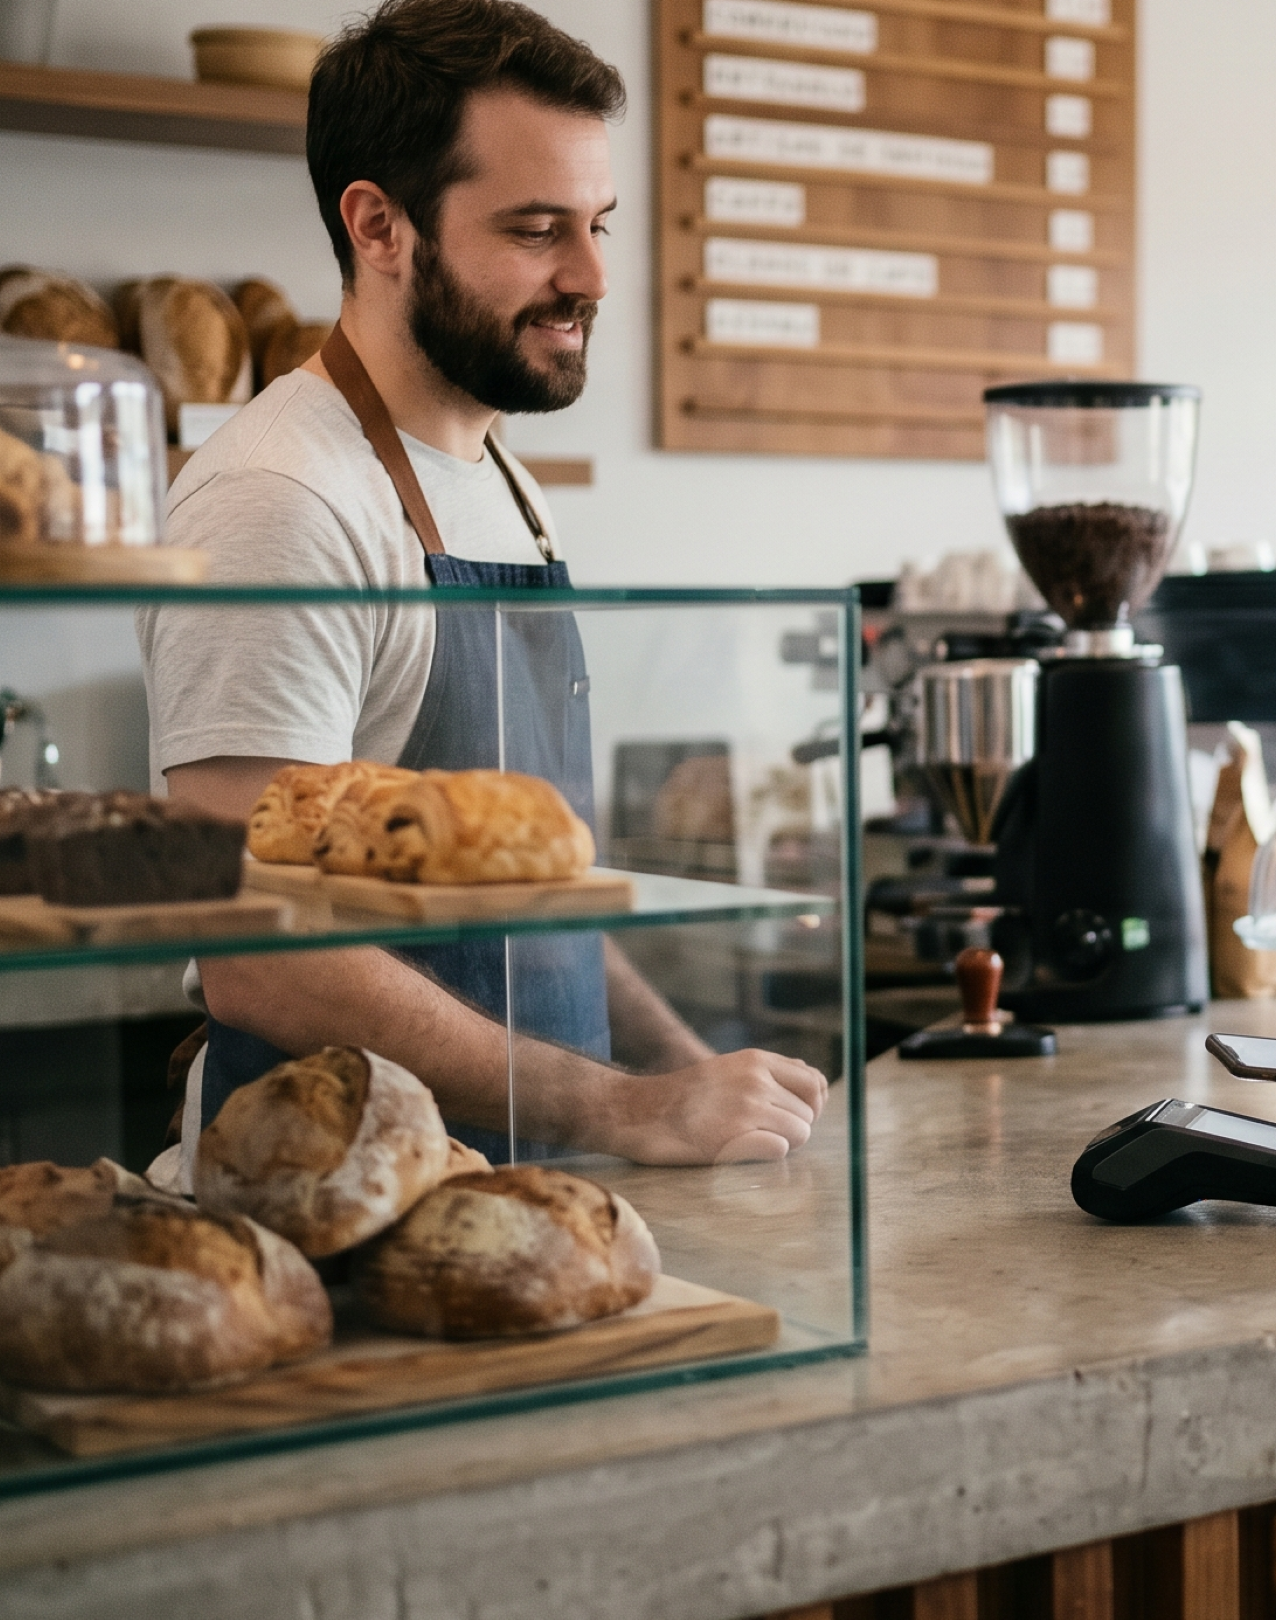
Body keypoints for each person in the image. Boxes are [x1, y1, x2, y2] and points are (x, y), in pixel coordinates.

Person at [136, 0, 825, 1165]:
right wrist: (614, 1107)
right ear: (379, 226)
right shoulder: (279, 500)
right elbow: (257, 953)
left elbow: (532, 890)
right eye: (537, 228)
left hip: (518, 1194)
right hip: (332, 1213)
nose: (593, 274)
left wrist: (676, 1074)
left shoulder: (503, 475)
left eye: (600, 222)